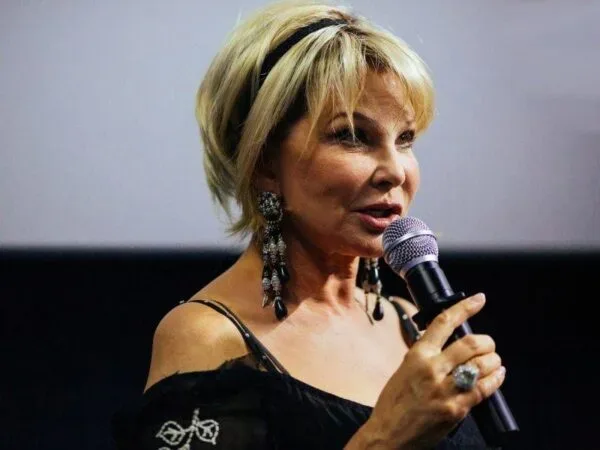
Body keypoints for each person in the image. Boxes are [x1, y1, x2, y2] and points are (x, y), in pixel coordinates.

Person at [111, 1, 506, 448]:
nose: (395, 171)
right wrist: (387, 438)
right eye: (352, 136)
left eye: (405, 139)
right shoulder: (208, 338)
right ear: (264, 163)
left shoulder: (413, 324)